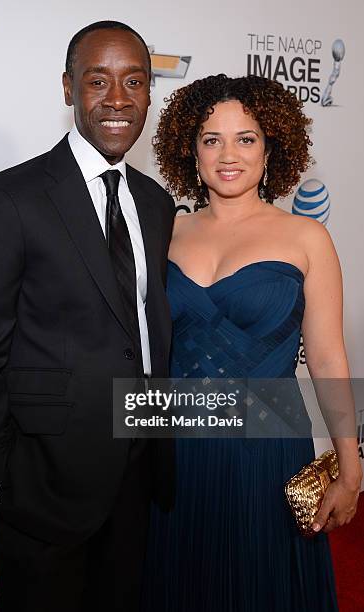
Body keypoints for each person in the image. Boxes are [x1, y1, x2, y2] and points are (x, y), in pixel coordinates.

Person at [0, 20, 176, 612]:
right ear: (68, 88)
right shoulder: (7, 201)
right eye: (98, 81)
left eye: (134, 81)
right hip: (40, 488)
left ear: (151, 92)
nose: (118, 99)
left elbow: (141, 330)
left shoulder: (154, 202)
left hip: (138, 474)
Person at [142, 74, 362, 611]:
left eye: (246, 138)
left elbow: (329, 357)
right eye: (211, 139)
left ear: (271, 148)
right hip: (177, 451)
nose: (227, 154)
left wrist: (351, 469)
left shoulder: (306, 237)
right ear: (190, 152)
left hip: (266, 450)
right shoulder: (164, 231)